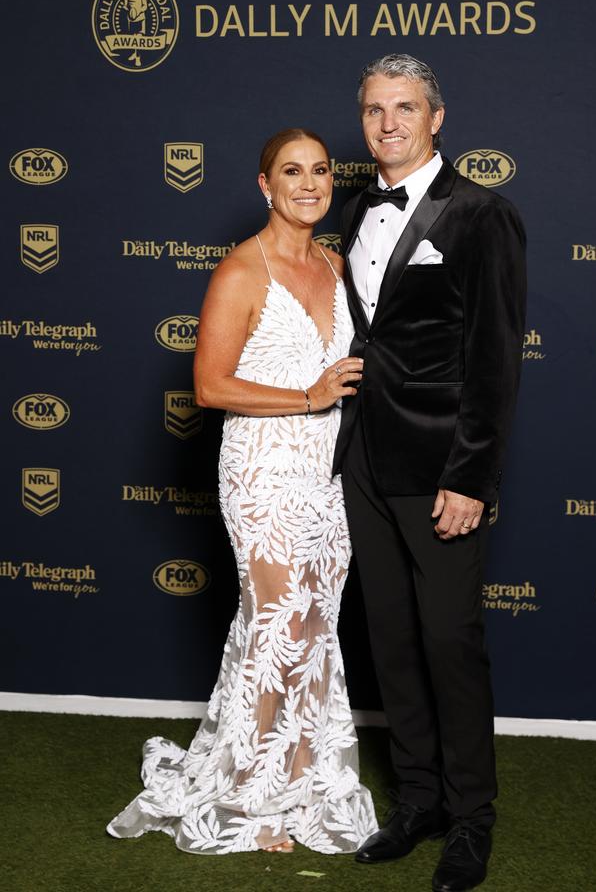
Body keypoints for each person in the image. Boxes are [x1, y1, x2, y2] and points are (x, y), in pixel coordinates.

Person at [106, 128, 377, 855]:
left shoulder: (336, 262)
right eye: (292, 171)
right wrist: (309, 393)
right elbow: (208, 386)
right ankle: (253, 795)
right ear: (265, 185)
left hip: (332, 471)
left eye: (320, 170)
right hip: (264, 469)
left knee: (316, 626)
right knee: (278, 622)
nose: (310, 183)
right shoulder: (238, 272)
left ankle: (299, 776)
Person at [332, 54, 527, 891]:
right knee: (392, 642)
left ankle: (470, 820)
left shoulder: (482, 215)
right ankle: (417, 802)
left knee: (451, 643)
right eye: (375, 110)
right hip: (364, 461)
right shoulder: (352, 209)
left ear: (436, 117)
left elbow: (494, 360)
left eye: (405, 108)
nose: (389, 124)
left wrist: (471, 478)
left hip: (442, 467)